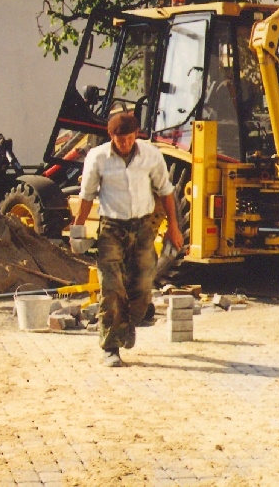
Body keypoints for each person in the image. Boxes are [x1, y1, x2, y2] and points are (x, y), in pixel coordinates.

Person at [71, 111, 183, 367]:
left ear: (136, 136)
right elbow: (87, 196)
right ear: (111, 136)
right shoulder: (97, 158)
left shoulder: (151, 155)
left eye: (131, 138)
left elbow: (166, 191)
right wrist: (77, 230)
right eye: (121, 139)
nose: (126, 143)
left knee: (143, 288)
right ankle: (111, 346)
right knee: (111, 287)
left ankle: (126, 326)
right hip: (111, 228)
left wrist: (174, 228)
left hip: (143, 228)